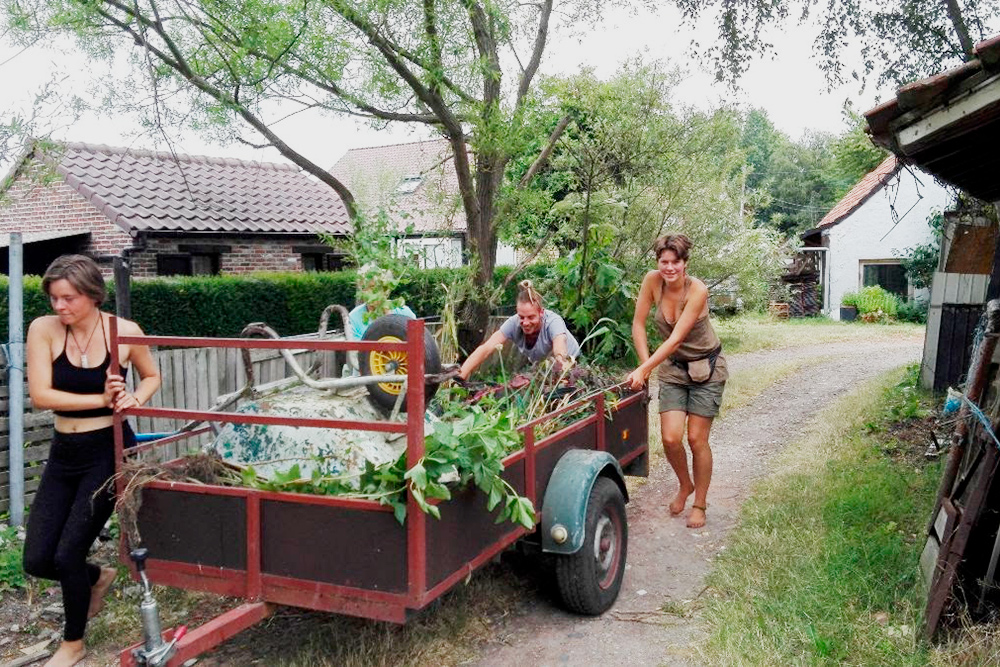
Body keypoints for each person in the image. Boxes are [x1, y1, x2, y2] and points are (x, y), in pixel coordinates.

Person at [23, 255, 161, 667]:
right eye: (53, 298)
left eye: (68, 298)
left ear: (92, 295)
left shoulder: (124, 332)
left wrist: (136, 398)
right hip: (65, 451)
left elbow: (151, 375)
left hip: (108, 449)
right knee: (36, 559)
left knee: (68, 554)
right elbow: (42, 396)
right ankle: (97, 577)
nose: (59, 307)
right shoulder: (43, 330)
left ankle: (74, 642)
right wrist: (100, 398)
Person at [626, 234, 727, 529]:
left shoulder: (697, 290)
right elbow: (638, 324)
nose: (669, 268)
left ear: (685, 263)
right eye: (664, 262)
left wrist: (644, 370)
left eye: (676, 262)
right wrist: (645, 365)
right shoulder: (651, 281)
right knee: (670, 438)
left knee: (697, 439)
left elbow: (675, 339)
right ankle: (685, 484)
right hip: (673, 368)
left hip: (706, 369)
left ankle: (700, 503)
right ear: (658, 262)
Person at [458, 280, 580, 381]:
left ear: (541, 313)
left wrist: (561, 362)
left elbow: (560, 346)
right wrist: (461, 375)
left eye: (531, 317)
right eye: (522, 317)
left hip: (570, 364)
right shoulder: (513, 323)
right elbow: (486, 348)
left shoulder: (553, 321)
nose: (525, 323)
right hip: (542, 368)